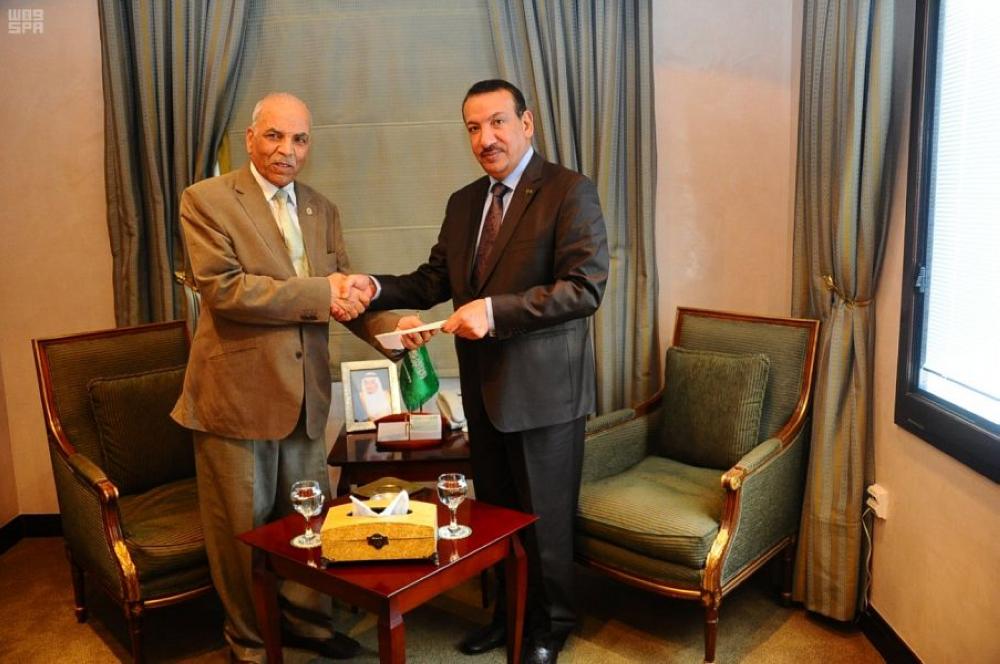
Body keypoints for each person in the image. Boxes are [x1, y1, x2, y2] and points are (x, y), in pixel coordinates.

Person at [359, 79, 609, 664]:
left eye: (497, 122)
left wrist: (494, 312)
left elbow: (583, 288)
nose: (485, 138)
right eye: (473, 127)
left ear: (527, 123)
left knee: (544, 523)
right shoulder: (464, 202)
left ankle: (550, 626)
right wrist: (372, 287)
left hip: (545, 395)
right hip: (483, 391)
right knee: (496, 519)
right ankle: (507, 615)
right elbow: (433, 281)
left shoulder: (569, 191)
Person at [171, 92, 412, 662]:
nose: (288, 150)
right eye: (275, 136)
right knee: (241, 533)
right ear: (250, 138)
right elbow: (226, 291)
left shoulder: (321, 209)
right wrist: (325, 291)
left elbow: (342, 295)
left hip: (305, 399)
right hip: (235, 401)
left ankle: (310, 625)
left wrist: (392, 330)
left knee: (308, 519)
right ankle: (251, 642)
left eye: (300, 139)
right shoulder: (205, 200)